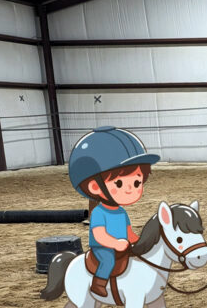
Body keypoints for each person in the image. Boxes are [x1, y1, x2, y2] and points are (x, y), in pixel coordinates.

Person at [68, 126, 159, 297]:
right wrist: (116, 243)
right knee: (108, 260)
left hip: (121, 244)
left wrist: (139, 242)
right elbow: (100, 235)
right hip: (103, 247)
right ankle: (98, 283)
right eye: (119, 183)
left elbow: (128, 232)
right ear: (95, 186)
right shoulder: (99, 213)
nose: (131, 189)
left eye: (137, 183)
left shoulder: (121, 212)